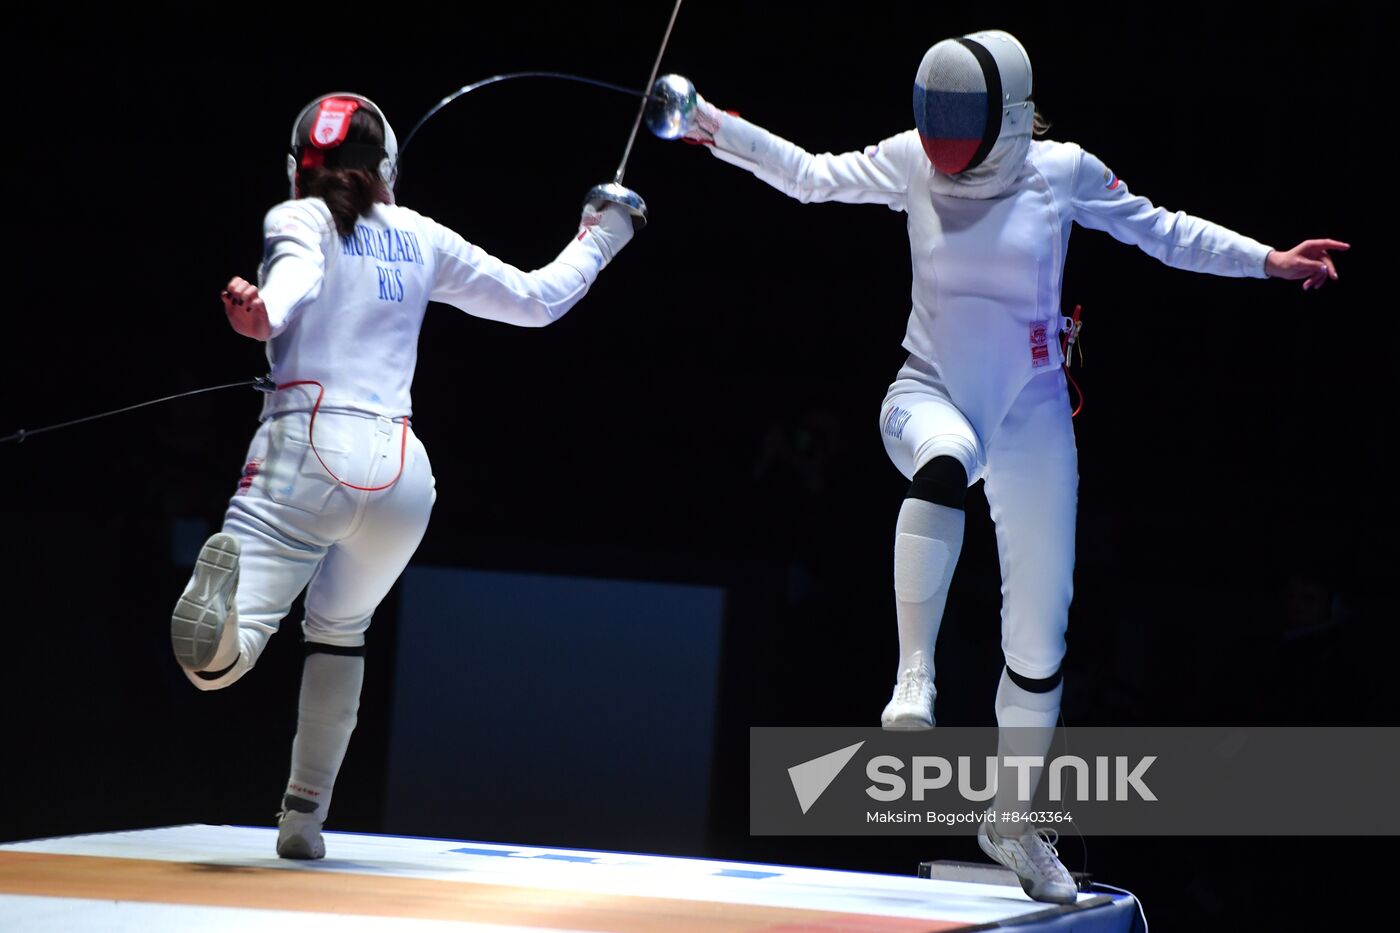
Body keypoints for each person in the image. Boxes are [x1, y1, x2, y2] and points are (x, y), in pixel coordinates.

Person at [654, 30, 1345, 903]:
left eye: (959, 119)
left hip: (1033, 411)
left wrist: (1268, 261)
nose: (942, 138)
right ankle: (915, 676)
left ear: (1007, 116)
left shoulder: (1061, 173)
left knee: (1041, 628)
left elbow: (1161, 231)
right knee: (942, 462)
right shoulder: (911, 160)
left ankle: (1011, 819)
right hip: (928, 390)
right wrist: (707, 122)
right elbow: (809, 174)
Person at [169, 92, 637, 860]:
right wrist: (606, 231)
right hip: (401, 473)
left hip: (303, 448)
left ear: (298, 170)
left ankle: (223, 631)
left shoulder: (294, 220)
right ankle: (303, 817)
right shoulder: (420, 235)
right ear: (387, 168)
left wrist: (262, 318)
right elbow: (539, 299)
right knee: (341, 631)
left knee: (212, 665)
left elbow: (288, 283)